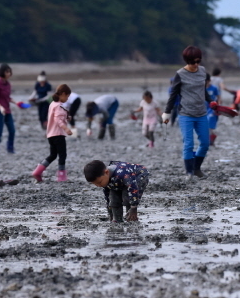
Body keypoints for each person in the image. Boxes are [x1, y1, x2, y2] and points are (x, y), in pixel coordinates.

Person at [162, 46, 213, 181]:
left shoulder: (202, 71)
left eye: (198, 61)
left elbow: (203, 91)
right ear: (187, 61)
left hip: (201, 113)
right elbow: (173, 94)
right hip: (185, 114)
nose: (196, 65)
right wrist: (167, 112)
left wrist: (211, 101)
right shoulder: (180, 74)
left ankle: (196, 168)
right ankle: (189, 172)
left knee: (205, 143)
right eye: (193, 62)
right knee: (189, 144)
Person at [84, 160, 150, 223]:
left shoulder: (123, 174)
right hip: (119, 180)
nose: (98, 185)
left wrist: (134, 208)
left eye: (99, 182)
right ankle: (117, 219)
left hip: (139, 175)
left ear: (106, 172)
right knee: (113, 198)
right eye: (95, 184)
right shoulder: (105, 179)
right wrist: (110, 213)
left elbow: (133, 189)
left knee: (127, 195)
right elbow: (108, 196)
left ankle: (131, 218)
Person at [31, 84, 73, 182]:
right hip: (58, 134)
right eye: (67, 96)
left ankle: (38, 171)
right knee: (62, 154)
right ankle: (61, 176)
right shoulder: (59, 105)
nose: (67, 99)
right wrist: (66, 128)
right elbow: (58, 120)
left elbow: (57, 116)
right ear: (62, 94)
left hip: (50, 134)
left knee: (53, 155)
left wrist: (67, 117)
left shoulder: (53, 104)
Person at [0, 64, 17, 154]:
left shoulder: (8, 84)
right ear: (2, 72)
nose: (9, 73)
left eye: (10, 72)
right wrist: (0, 107)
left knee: (12, 130)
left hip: (7, 110)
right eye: (7, 72)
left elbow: (8, 97)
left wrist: (16, 102)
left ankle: (10, 149)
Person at [205, 74, 220, 146]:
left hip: (212, 108)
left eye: (206, 81)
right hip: (203, 109)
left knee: (209, 123)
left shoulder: (214, 88)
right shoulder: (201, 88)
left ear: (209, 81)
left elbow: (218, 97)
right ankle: (212, 136)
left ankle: (210, 139)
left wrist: (218, 107)